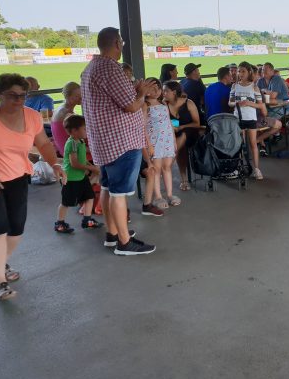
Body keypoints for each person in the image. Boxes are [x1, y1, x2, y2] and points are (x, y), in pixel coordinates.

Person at [81, 27, 155, 255]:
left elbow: (115, 98)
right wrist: (141, 93)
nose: (122, 45)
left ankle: (112, 233)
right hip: (121, 142)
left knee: (107, 188)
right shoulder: (111, 68)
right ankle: (124, 242)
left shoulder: (91, 68)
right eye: (121, 42)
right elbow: (131, 105)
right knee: (118, 193)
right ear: (116, 43)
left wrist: (134, 90)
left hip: (104, 142)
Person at [0, 73, 66, 300]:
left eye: (22, 96)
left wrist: (55, 164)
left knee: (16, 228)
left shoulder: (32, 116)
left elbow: (43, 143)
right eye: (12, 95)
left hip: (18, 177)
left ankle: (0, 262)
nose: (18, 100)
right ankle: (1, 282)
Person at [54, 115, 103, 234]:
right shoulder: (72, 143)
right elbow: (74, 163)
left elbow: (82, 159)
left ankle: (87, 220)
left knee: (89, 197)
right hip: (71, 179)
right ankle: (60, 223)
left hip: (81, 177)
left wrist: (90, 166)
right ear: (75, 131)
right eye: (84, 129)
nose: (87, 131)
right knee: (66, 202)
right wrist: (91, 168)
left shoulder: (80, 141)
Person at [142, 77, 179, 213]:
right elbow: (143, 126)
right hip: (154, 141)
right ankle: (158, 196)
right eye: (152, 89)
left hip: (167, 139)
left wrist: (173, 139)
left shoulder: (163, 104)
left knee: (167, 167)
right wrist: (149, 144)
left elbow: (169, 122)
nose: (156, 91)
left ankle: (169, 194)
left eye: (158, 88)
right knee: (156, 169)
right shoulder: (145, 105)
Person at [229, 62, 265, 180]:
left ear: (249, 72)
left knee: (253, 143)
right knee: (239, 144)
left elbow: (260, 105)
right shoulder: (234, 86)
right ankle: (239, 168)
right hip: (237, 118)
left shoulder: (254, 87)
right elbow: (230, 102)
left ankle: (256, 169)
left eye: (243, 71)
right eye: (239, 71)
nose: (240, 73)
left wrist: (249, 103)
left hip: (251, 118)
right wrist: (237, 103)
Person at [163, 80, 201, 190]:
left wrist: (182, 127)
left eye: (166, 91)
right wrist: (174, 127)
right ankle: (184, 179)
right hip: (175, 133)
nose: (163, 93)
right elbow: (170, 121)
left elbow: (197, 123)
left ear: (174, 92)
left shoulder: (188, 103)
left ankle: (170, 160)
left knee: (183, 135)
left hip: (191, 131)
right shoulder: (165, 104)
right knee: (180, 144)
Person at [51, 81, 81, 155]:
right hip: (69, 153)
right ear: (69, 97)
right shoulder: (68, 113)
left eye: (81, 94)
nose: (81, 97)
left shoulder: (60, 108)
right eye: (77, 96)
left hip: (62, 147)